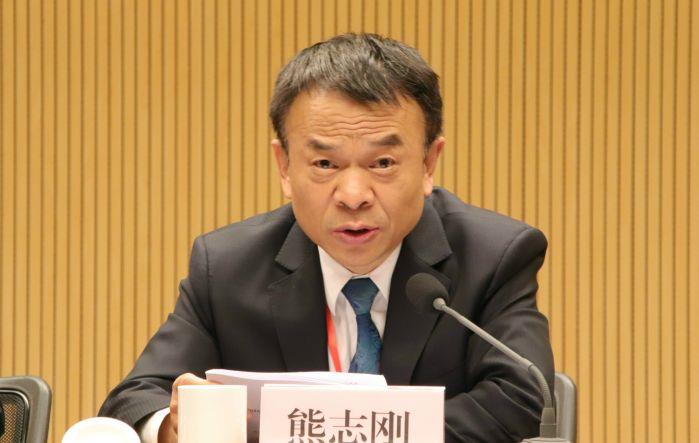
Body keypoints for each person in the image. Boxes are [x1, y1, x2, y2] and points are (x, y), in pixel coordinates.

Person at [99, 33, 555, 443]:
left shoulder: (494, 256)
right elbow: (135, 400)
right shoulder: (226, 265)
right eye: (324, 164)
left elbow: (522, 398)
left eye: (382, 163)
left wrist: (349, 432)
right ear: (284, 167)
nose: (353, 196)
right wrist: (172, 425)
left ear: (428, 163)